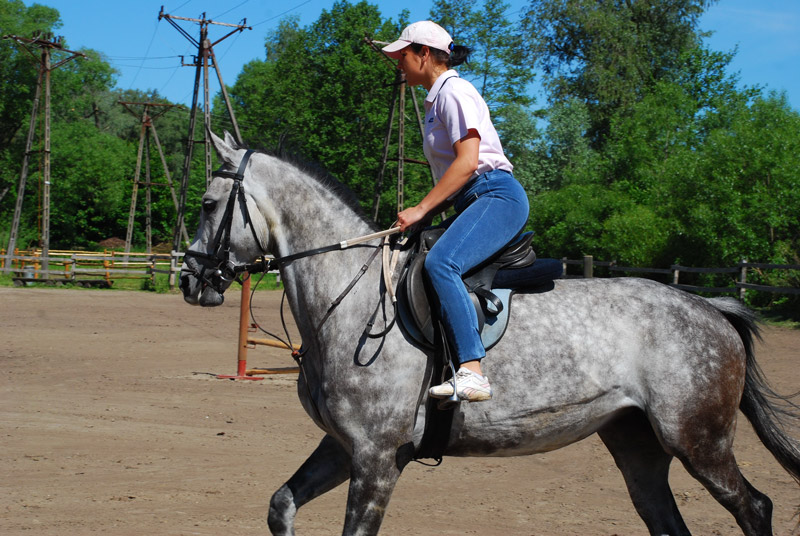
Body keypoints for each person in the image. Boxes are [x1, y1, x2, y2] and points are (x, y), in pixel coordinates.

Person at [383, 21, 530, 402]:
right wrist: (424, 217)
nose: (399, 63)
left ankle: (472, 370)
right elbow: (456, 178)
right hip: (472, 198)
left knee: (441, 264)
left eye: (403, 55)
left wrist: (421, 208)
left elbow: (467, 165)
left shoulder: (455, 92)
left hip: (495, 195)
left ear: (424, 54)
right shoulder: (436, 99)